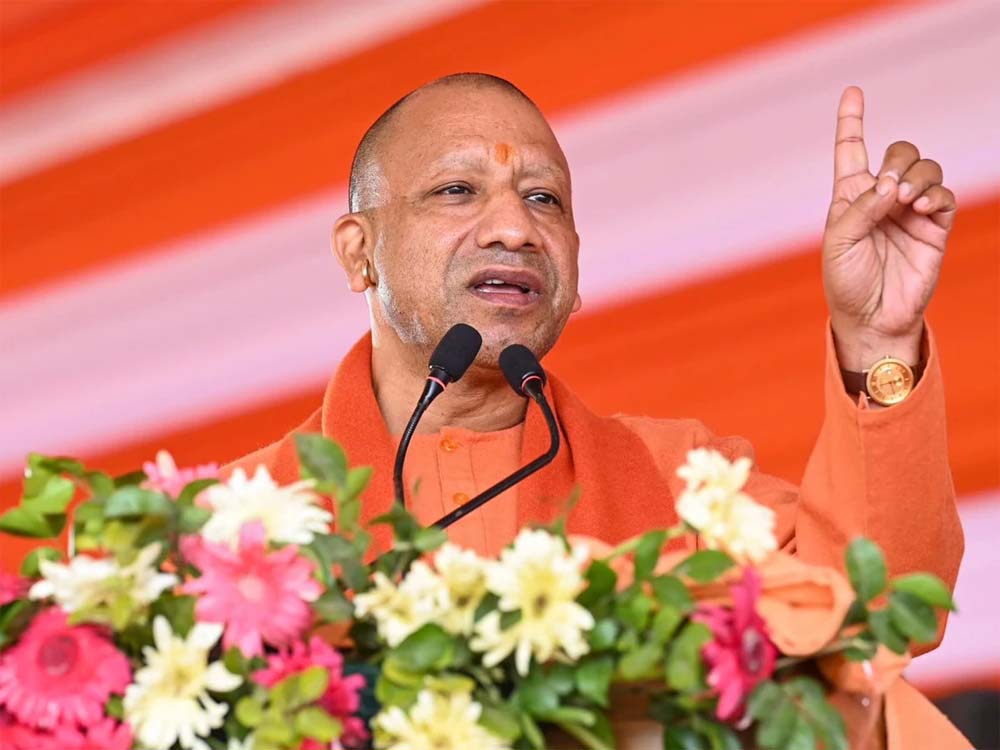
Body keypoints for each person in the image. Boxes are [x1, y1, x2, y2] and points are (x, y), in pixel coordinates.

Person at [225, 73, 962, 629]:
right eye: (456, 189)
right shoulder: (230, 527)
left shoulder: (687, 488)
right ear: (359, 253)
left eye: (543, 199)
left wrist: (878, 339)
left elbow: (879, 608)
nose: (515, 229)